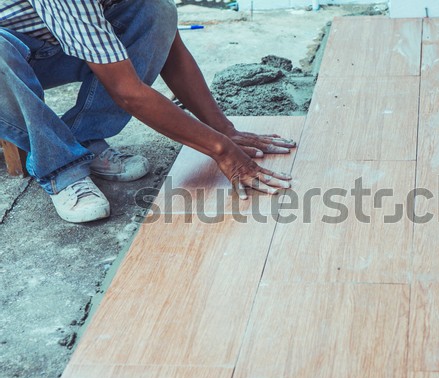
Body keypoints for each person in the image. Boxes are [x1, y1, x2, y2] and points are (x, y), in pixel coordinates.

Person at [0, 0, 295, 223]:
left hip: (54, 42)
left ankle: (84, 138)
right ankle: (60, 168)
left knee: (155, 10)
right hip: (13, 53)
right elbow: (128, 92)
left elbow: (171, 52)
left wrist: (224, 129)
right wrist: (222, 151)